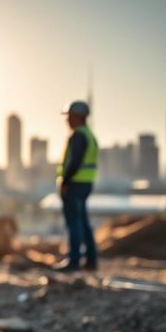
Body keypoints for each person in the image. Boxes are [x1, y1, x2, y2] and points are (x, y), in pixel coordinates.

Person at [55, 100, 99, 272]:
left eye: (70, 117)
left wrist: (65, 181)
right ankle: (91, 261)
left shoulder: (79, 135)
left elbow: (74, 161)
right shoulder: (89, 135)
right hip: (85, 184)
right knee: (83, 223)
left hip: (75, 185)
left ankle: (74, 261)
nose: (67, 120)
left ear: (78, 117)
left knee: (74, 223)